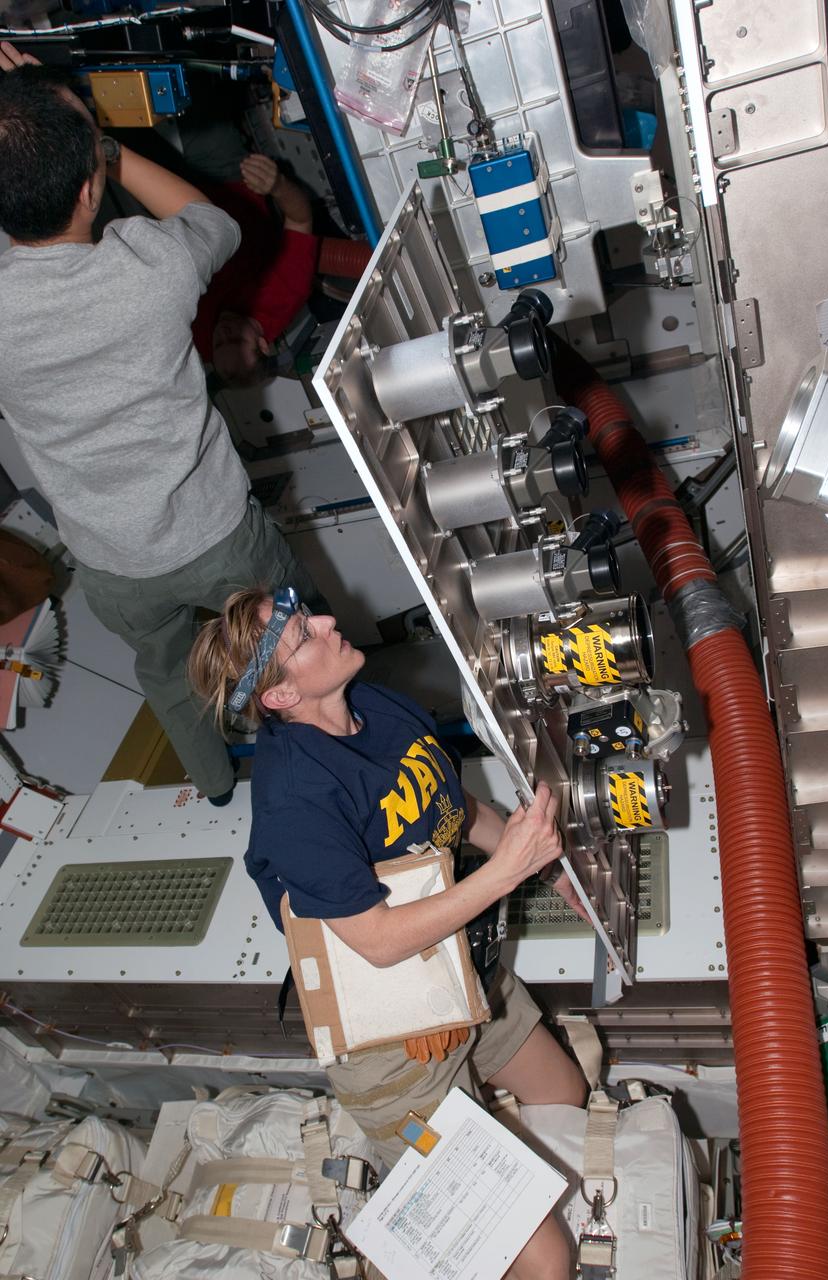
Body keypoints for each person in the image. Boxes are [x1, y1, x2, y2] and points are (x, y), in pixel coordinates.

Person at [188, 585, 590, 1280]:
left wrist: (542, 867)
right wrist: (505, 875)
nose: (328, 622)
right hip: (391, 1039)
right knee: (549, 1264)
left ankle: (471, 1190)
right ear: (279, 698)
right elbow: (374, 940)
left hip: (457, 969)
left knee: (564, 1094)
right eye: (304, 636)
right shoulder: (295, 799)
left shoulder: (374, 705)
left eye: (308, 612)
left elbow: (451, 804)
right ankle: (440, 1224)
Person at [0, 45, 327, 802]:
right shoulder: (153, 266)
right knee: (290, 647)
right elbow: (211, 219)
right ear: (91, 187)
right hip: (216, 534)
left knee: (171, 680)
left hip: (112, 564)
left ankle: (215, 787)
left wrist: (28, 127)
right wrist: (104, 147)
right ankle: (321, 741)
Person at [192, 151, 320, 387]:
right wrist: (278, 185)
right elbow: (300, 220)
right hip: (226, 182)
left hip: (178, 210)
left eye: (218, 343)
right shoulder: (284, 295)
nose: (224, 331)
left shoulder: (201, 341)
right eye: (236, 339)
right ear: (262, 344)